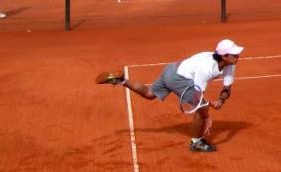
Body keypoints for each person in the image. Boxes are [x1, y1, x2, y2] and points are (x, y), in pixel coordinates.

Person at [96, 38, 245, 153]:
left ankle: (122, 80)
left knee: (150, 94)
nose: (238, 56)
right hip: (180, 78)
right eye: (234, 54)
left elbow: (227, 88)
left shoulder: (229, 65)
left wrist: (220, 100)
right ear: (224, 56)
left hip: (171, 69)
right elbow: (198, 94)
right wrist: (205, 111)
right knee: (203, 110)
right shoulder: (207, 69)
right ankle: (197, 142)